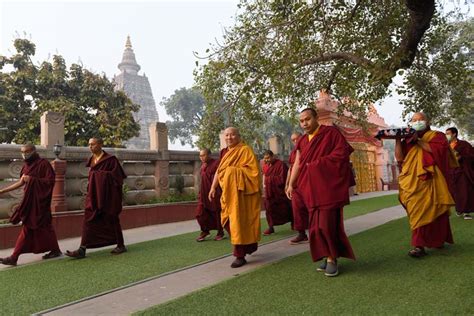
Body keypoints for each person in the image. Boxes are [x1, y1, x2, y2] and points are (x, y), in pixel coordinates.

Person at [286, 108, 355, 277]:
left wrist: (316, 165)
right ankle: (328, 255)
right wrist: (290, 184)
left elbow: (341, 155)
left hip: (328, 188)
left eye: (307, 119)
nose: (304, 124)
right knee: (315, 227)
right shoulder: (302, 141)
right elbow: (298, 163)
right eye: (301, 121)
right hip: (310, 188)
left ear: (316, 118)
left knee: (326, 225)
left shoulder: (330, 133)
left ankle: (332, 260)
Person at [395, 113, 456, 258]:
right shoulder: (407, 139)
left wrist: (419, 141)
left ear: (427, 121)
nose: (418, 122)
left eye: (421, 119)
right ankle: (420, 244)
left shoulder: (437, 136)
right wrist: (397, 140)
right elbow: (399, 158)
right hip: (411, 181)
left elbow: (439, 152)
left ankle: (430, 242)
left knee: (435, 208)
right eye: (414, 120)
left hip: (431, 180)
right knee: (416, 211)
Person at [0, 144, 61, 266]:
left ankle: (14, 257)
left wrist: (32, 180)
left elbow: (50, 182)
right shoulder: (26, 166)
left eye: (27, 152)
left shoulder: (43, 164)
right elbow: (22, 182)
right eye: (22, 152)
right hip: (31, 202)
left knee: (28, 228)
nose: (24, 154)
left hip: (40, 203)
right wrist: (3, 191)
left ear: (34, 151)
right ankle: (55, 250)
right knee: (46, 227)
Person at [66, 137, 127, 259]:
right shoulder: (92, 160)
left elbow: (118, 178)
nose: (90, 147)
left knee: (112, 219)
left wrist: (98, 176)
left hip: (108, 196)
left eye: (93, 144)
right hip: (94, 196)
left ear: (100, 144)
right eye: (89, 144)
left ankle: (121, 245)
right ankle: (82, 249)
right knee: (88, 219)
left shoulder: (111, 160)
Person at [209, 127, 261, 268]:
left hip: (242, 195)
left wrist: (233, 172)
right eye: (227, 135)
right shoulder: (225, 152)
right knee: (228, 221)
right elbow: (219, 171)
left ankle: (240, 255)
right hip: (228, 193)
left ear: (238, 136)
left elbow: (254, 173)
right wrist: (213, 187)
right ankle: (248, 246)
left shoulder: (245, 150)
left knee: (239, 222)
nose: (229, 138)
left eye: (232, 135)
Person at [195, 148, 225, 241]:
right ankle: (205, 231)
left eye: (204, 155)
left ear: (209, 155)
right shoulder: (203, 166)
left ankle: (220, 232)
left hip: (215, 193)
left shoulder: (217, 163)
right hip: (204, 194)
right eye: (200, 156)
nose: (202, 158)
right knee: (200, 213)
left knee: (216, 212)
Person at [285, 132, 309, 244]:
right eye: (293, 140)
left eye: (297, 139)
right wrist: (288, 184)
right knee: (297, 209)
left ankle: (317, 233)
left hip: (307, 182)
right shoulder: (293, 152)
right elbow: (291, 168)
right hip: (296, 185)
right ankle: (301, 234)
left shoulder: (308, 147)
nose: (295, 141)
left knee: (311, 209)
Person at [262, 150, 293, 235]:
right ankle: (271, 227)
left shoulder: (281, 165)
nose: (267, 160)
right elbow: (264, 176)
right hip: (269, 192)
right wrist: (265, 185)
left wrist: (269, 179)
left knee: (286, 208)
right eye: (265, 158)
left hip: (279, 192)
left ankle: (293, 223)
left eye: (268, 158)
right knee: (268, 209)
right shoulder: (265, 166)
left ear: (273, 156)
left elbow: (283, 178)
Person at [446, 127, 474, 220]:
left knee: (465, 191)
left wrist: (460, 156)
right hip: (451, 172)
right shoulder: (446, 145)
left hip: (462, 171)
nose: (447, 135)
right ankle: (459, 209)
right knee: (454, 192)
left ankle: (466, 212)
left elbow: (471, 155)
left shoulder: (463, 144)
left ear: (454, 134)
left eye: (448, 133)